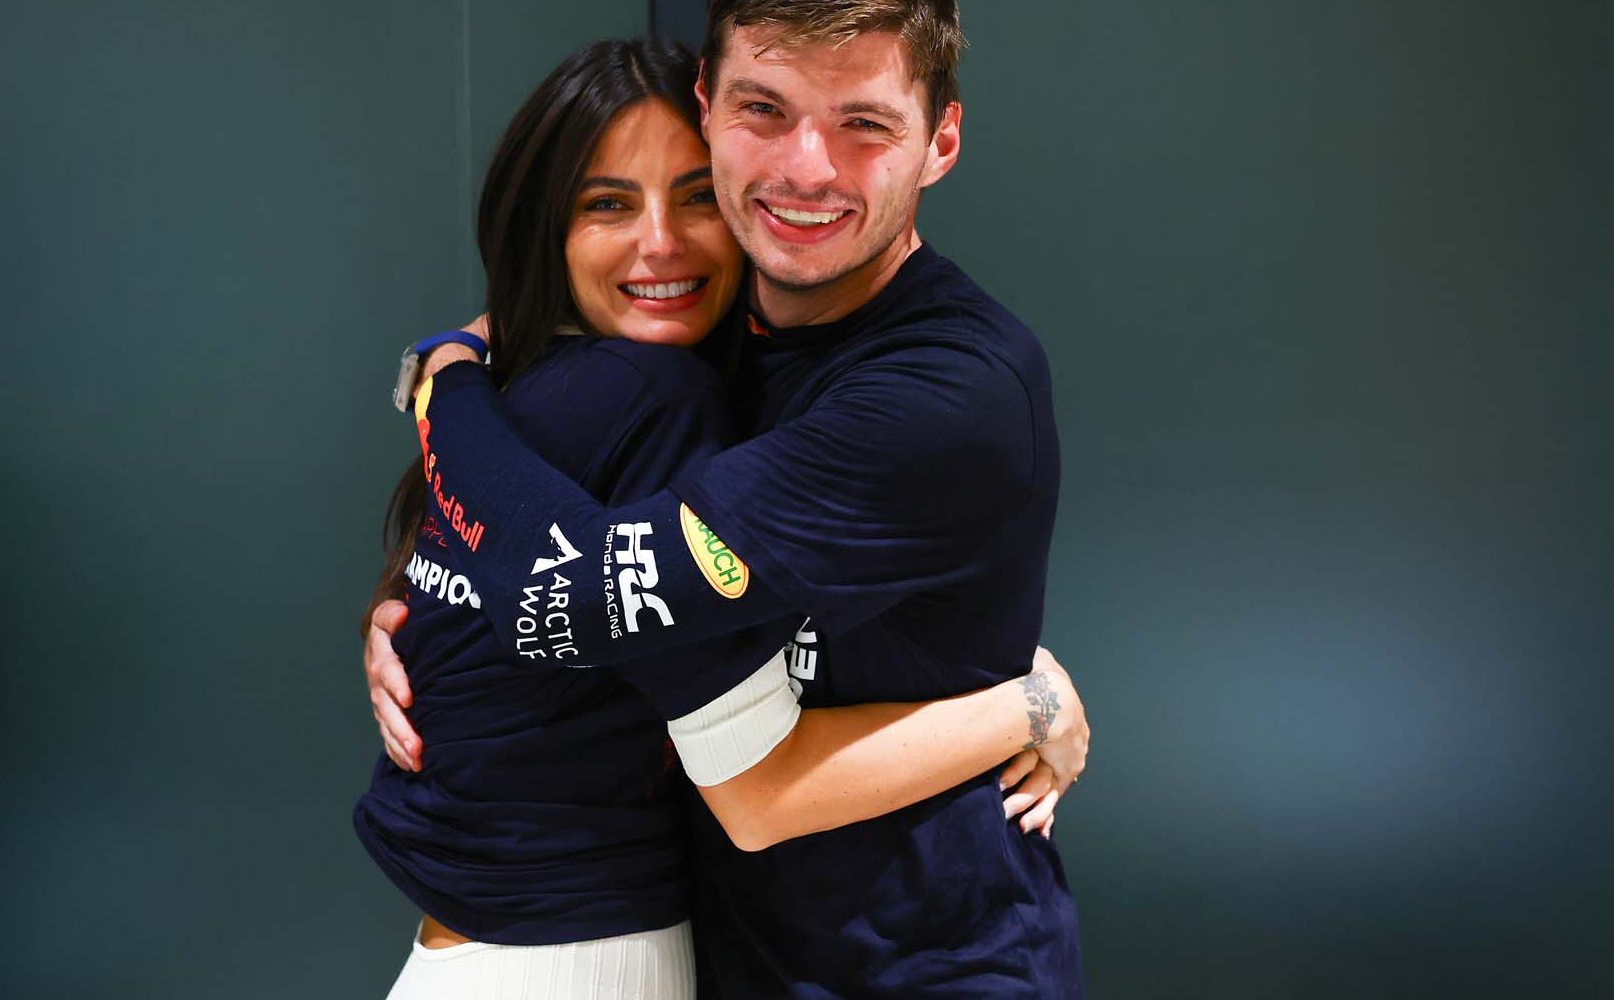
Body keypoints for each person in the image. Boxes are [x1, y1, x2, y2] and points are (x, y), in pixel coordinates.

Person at [354, 36, 1083, 1000]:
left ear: (940, 138)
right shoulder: (647, 383)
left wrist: (441, 382)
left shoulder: (918, 387)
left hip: (917, 969)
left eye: (862, 123)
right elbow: (530, 591)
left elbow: (748, 786)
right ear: (717, 110)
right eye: (766, 112)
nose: (807, 164)